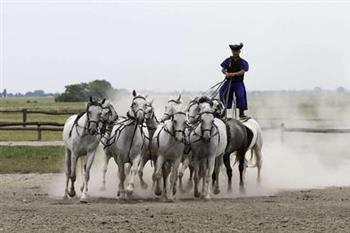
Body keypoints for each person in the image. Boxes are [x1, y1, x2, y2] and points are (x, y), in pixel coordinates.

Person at [219, 43, 249, 119]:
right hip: (229, 82)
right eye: (233, 51)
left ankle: (241, 114)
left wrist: (232, 74)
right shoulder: (228, 60)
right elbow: (223, 69)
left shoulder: (243, 62)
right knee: (222, 92)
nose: (235, 52)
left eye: (236, 51)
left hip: (238, 82)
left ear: (239, 51)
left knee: (241, 95)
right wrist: (226, 73)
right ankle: (223, 111)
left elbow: (243, 71)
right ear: (232, 51)